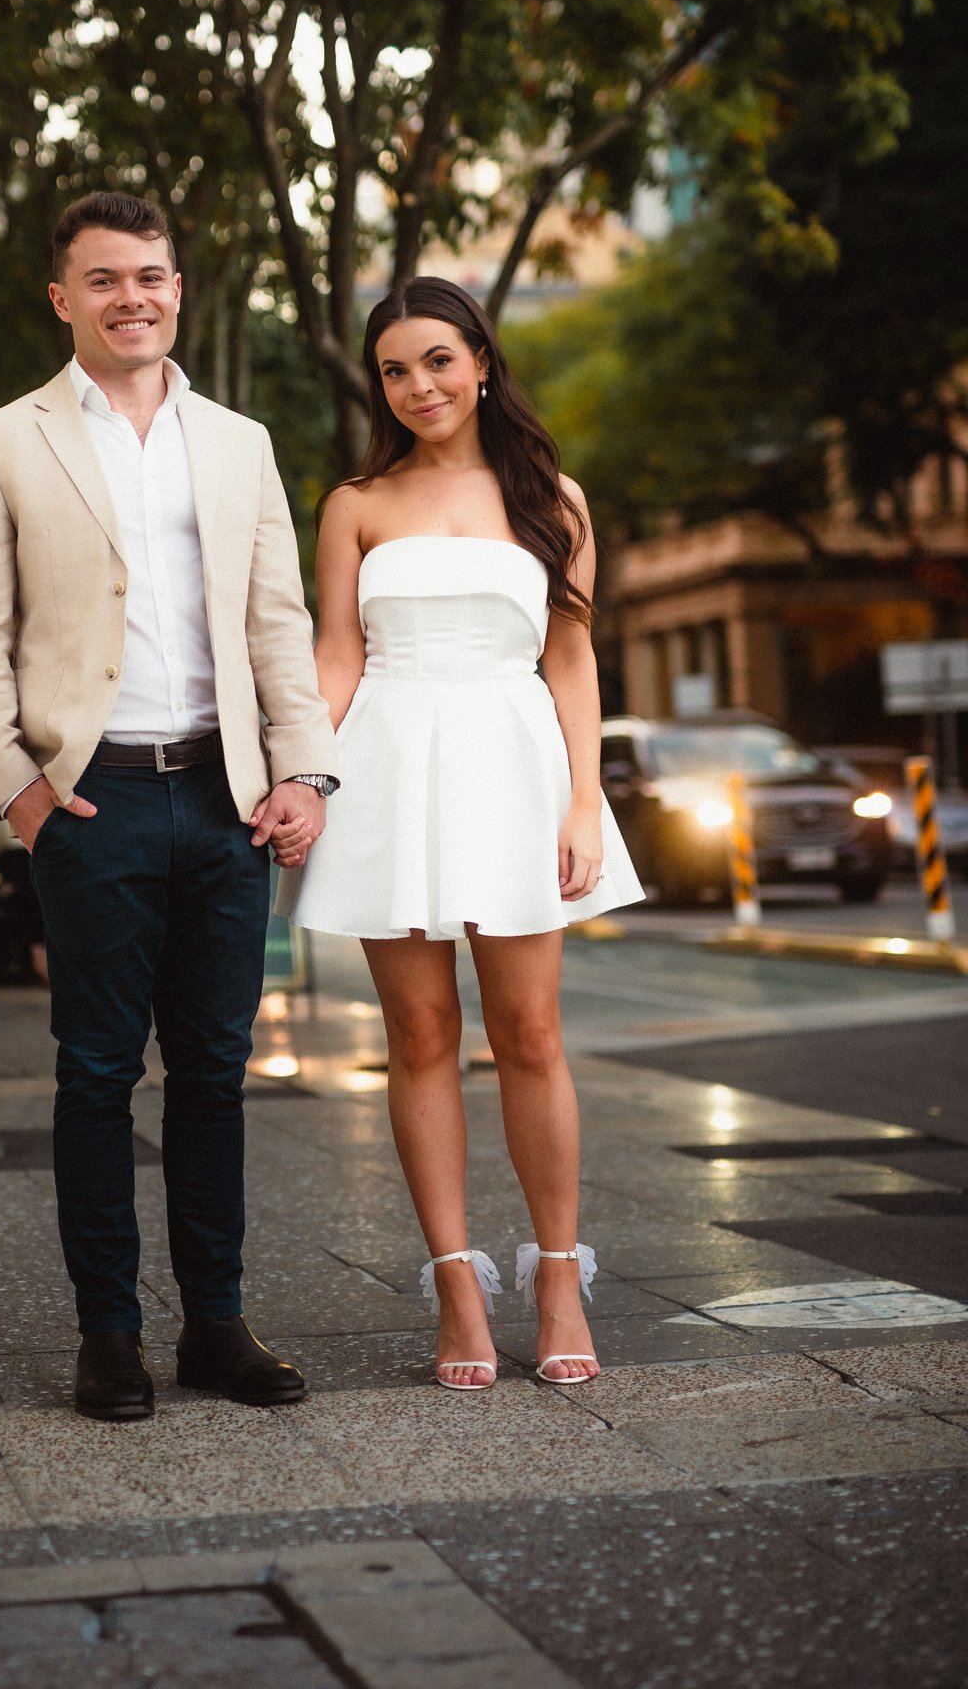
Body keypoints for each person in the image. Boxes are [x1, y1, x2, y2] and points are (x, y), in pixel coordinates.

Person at [0, 190, 338, 1423]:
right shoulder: (0, 442)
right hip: (91, 803)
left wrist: (303, 770)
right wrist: (20, 794)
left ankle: (216, 1324)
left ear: (180, 289)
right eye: (106, 279)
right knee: (97, 1074)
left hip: (225, 802)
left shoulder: (241, 442)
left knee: (217, 1071)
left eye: (153, 277)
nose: (134, 298)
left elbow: (280, 621)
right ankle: (109, 1335)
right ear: (64, 298)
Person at [282, 276, 642, 1391]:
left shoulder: (557, 499)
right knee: (422, 1036)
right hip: (389, 759)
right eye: (395, 369)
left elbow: (572, 659)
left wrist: (584, 798)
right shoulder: (355, 503)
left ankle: (556, 1277)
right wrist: (305, 773)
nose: (419, 385)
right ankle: (453, 1285)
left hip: (514, 756)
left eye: (438, 359)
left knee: (529, 1033)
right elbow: (336, 655)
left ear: (482, 361)